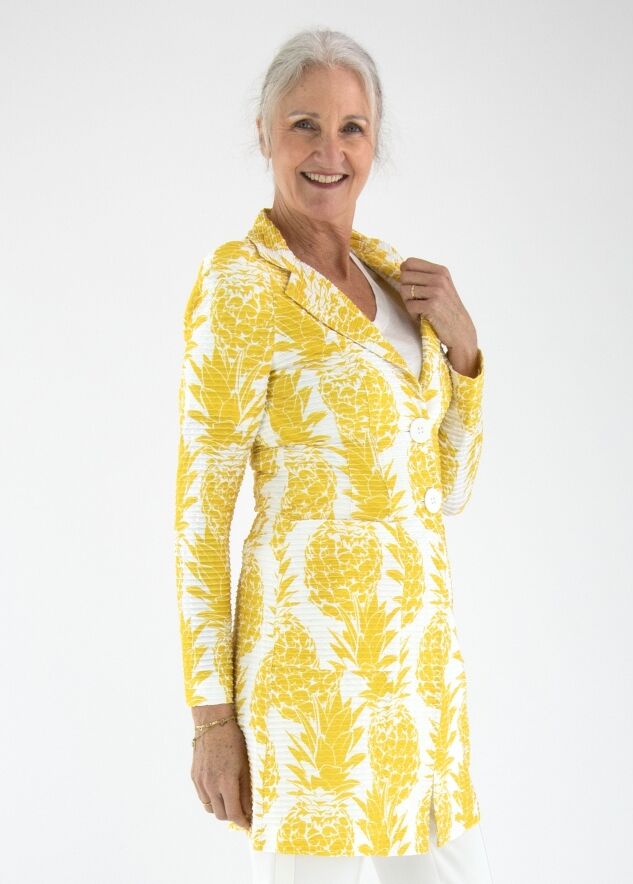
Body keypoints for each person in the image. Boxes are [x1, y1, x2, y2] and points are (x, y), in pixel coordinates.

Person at [174, 27, 494, 884]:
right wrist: (212, 720)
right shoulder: (242, 283)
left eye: (351, 127)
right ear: (264, 134)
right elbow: (201, 517)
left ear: (374, 140)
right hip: (310, 696)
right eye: (304, 125)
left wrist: (463, 351)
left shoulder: (397, 282)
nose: (329, 151)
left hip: (420, 687)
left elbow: (447, 490)